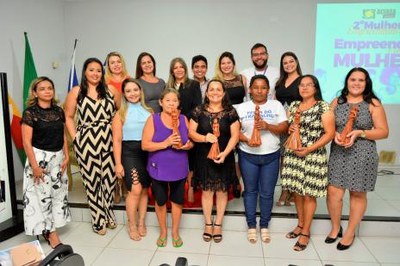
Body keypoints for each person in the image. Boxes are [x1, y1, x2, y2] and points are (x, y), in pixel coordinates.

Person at [326, 67, 389, 250]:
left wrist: (360, 133)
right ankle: (336, 227)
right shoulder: (337, 102)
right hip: (339, 153)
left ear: (366, 83)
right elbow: (328, 127)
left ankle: (350, 232)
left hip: (363, 154)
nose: (356, 83)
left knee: (357, 193)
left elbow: (383, 132)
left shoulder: (373, 103)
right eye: (353, 79)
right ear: (347, 81)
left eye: (361, 80)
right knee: (334, 193)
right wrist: (335, 134)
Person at [64, 57, 121, 235]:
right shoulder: (76, 91)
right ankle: (98, 220)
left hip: (108, 138)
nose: (95, 73)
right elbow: (68, 116)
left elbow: (117, 112)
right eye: (91, 70)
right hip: (86, 141)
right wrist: (76, 138)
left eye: (98, 70)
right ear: (85, 72)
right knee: (92, 181)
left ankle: (109, 214)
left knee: (109, 180)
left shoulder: (111, 89)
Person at [281, 75, 335, 251]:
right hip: (294, 154)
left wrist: (309, 148)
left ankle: (305, 232)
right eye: (301, 85)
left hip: (313, 155)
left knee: (308, 194)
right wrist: (290, 129)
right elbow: (289, 128)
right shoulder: (294, 106)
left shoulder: (323, 107)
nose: (304, 88)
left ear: (315, 88)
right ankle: (300, 224)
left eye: (308, 85)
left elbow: (329, 133)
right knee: (297, 191)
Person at [236, 75, 288, 243]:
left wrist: (268, 126)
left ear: (268, 90)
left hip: (271, 156)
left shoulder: (276, 105)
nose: (259, 90)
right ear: (250, 89)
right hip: (248, 155)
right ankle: (251, 225)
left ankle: (264, 225)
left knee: (267, 193)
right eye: (256, 87)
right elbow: (234, 132)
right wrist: (247, 139)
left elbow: (283, 127)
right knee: (250, 191)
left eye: (263, 87)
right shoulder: (241, 108)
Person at [21, 76, 71, 248]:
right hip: (39, 158)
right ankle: (51, 234)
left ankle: (50, 227)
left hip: (58, 157)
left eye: (50, 87)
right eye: (42, 88)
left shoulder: (59, 110)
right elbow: (26, 142)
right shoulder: (30, 113)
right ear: (35, 92)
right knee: (41, 197)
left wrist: (67, 156)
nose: (47, 91)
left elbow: (63, 135)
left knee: (57, 194)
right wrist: (35, 166)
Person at [189, 79, 240, 243]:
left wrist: (225, 153)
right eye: (212, 89)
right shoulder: (198, 111)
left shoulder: (231, 112)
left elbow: (235, 136)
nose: (215, 92)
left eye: (219, 89)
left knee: (222, 191)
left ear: (224, 93)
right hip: (204, 157)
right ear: (207, 92)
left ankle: (218, 224)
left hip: (224, 156)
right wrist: (204, 138)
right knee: (206, 191)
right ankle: (208, 224)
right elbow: (191, 133)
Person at [142, 88, 193, 248]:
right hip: (159, 168)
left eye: (175, 101)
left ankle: (175, 232)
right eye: (168, 100)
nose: (171, 104)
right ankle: (163, 231)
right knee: (161, 201)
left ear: (179, 103)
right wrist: (166, 142)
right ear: (161, 102)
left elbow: (191, 141)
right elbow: (145, 145)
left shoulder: (184, 119)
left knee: (177, 201)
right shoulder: (153, 119)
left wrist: (186, 146)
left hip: (179, 167)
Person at [112, 78, 152, 241]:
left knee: (143, 190)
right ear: (124, 94)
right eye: (128, 91)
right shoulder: (119, 114)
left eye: (135, 90)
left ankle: (142, 222)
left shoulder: (149, 111)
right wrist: (118, 164)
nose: (132, 93)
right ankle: (132, 224)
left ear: (140, 91)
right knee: (134, 189)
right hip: (129, 154)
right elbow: (116, 141)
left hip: (147, 154)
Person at [167, 57, 202, 204]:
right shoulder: (168, 87)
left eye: (181, 67)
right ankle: (176, 188)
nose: (179, 70)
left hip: (188, 124)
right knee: (175, 155)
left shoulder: (193, 84)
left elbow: (198, 106)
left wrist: (183, 119)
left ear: (185, 69)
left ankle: (191, 188)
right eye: (176, 67)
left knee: (191, 159)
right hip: (171, 126)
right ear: (172, 70)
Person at [214, 51, 247, 197]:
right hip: (225, 118)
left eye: (229, 62)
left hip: (242, 117)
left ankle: (239, 183)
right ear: (219, 65)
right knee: (228, 151)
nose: (226, 65)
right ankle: (228, 182)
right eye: (223, 63)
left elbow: (247, 99)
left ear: (233, 64)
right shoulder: (216, 81)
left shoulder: (242, 78)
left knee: (242, 152)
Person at [275, 52, 303, 207]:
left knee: (295, 158)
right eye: (285, 63)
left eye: (291, 61)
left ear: (296, 62)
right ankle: (285, 189)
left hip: (297, 123)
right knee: (283, 158)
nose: (288, 65)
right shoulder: (280, 82)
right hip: (282, 124)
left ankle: (294, 190)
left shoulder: (303, 81)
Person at [105, 51, 130, 203]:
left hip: (127, 118)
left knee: (125, 152)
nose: (116, 64)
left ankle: (125, 184)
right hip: (111, 120)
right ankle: (115, 186)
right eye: (112, 62)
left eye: (118, 61)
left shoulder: (129, 79)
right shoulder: (104, 81)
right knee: (113, 153)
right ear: (108, 65)